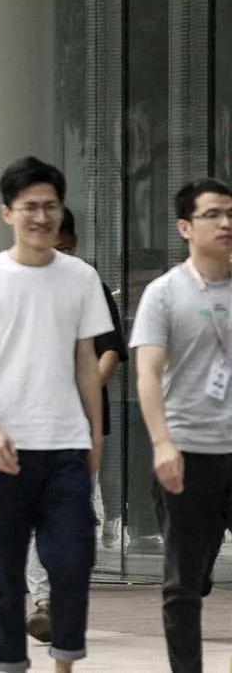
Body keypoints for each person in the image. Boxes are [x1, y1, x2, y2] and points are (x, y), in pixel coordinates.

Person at [0, 158, 113, 673]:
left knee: (72, 563)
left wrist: (95, 438)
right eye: (29, 207)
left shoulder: (81, 279)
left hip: (65, 444)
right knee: (4, 577)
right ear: (7, 213)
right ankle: (9, 666)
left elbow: (86, 362)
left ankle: (64, 662)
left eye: (50, 206)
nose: (41, 217)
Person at [132, 177, 232, 673]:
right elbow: (147, 373)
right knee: (183, 581)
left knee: (196, 569)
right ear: (185, 227)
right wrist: (162, 444)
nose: (226, 223)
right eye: (213, 214)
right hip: (187, 451)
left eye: (230, 213)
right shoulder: (163, 293)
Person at [25, 207, 127, 642]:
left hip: (81, 423)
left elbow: (110, 350)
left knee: (77, 510)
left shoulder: (90, 288)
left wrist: (83, 390)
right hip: (31, 420)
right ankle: (45, 601)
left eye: (64, 246)